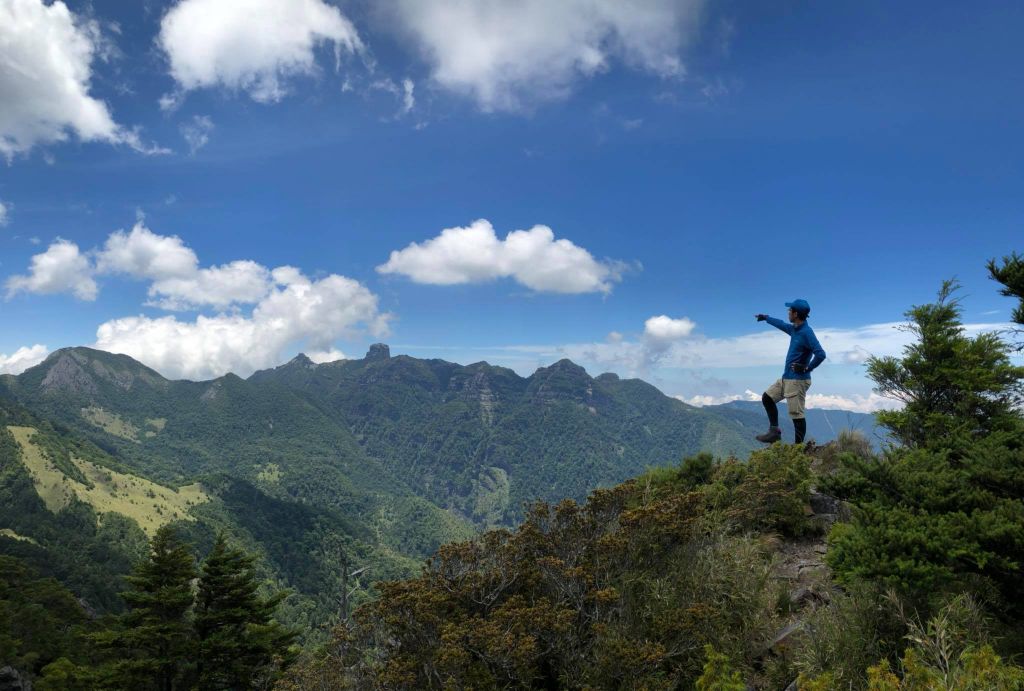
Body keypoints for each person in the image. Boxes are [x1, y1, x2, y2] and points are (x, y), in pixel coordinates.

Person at [753, 299, 826, 444]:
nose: (788, 312)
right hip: (787, 378)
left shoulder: (806, 332)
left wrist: (807, 367)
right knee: (767, 398)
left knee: (796, 415)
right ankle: (774, 432)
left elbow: (821, 354)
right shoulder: (795, 329)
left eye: (790, 310)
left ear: (796, 313)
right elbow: (781, 324)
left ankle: (798, 450)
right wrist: (766, 318)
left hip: (797, 381)